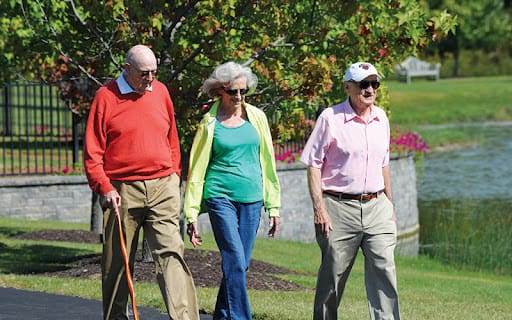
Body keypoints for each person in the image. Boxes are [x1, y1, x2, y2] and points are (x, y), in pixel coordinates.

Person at [84, 44, 199, 320]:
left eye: (154, 73)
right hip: (122, 190)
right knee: (118, 263)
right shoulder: (106, 97)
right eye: (144, 73)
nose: (150, 79)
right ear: (127, 69)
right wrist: (105, 186)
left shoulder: (160, 91)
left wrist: (174, 175)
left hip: (163, 186)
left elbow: (172, 137)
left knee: (172, 253)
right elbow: (92, 151)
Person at [300, 62, 401, 320]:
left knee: (385, 272)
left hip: (377, 205)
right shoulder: (330, 118)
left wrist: (390, 205)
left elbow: (384, 164)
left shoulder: (381, 118)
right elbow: (313, 164)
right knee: (332, 277)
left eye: (374, 84)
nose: (370, 89)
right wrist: (319, 209)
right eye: (363, 84)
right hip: (338, 207)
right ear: (347, 86)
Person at [183, 61, 281, 320]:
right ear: (220, 91)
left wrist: (273, 206)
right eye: (232, 91)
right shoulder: (210, 123)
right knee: (235, 260)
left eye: (243, 91)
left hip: (252, 199)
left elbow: (269, 163)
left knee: (239, 265)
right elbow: (197, 169)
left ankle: (222, 316)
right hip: (220, 196)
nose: (238, 97)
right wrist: (191, 213)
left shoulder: (257, 118)